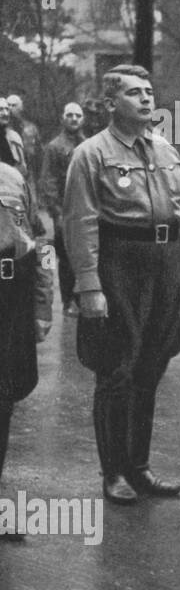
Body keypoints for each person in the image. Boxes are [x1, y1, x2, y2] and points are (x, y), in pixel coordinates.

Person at [62, 65, 180, 506]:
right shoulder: (91, 153)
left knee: (151, 367)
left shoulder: (166, 150)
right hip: (119, 261)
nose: (145, 99)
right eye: (134, 93)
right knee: (116, 369)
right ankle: (114, 471)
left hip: (164, 263)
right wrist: (89, 286)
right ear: (109, 104)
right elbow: (79, 223)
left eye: (149, 91)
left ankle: (140, 466)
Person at [0, 154, 53, 540]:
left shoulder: (12, 177)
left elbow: (40, 242)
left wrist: (42, 304)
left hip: (11, 293)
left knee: (4, 400)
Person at [38, 102, 85, 314]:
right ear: (63, 119)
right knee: (66, 257)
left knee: (86, 255)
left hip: (87, 209)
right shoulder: (55, 147)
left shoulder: (88, 144)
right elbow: (48, 181)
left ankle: (83, 296)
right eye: (70, 115)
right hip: (65, 211)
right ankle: (69, 300)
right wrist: (56, 212)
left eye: (78, 115)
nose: (74, 119)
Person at [6, 94, 43, 180]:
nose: (10, 108)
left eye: (14, 105)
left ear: (21, 107)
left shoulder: (31, 128)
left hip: (31, 172)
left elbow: (39, 153)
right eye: (8, 105)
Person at [0, 97, 28, 174]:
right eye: (1, 110)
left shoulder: (15, 137)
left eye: (7, 109)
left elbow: (23, 168)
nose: (5, 113)